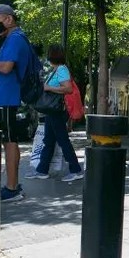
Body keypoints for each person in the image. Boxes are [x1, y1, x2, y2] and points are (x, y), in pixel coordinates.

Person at [0, 4, 30, 203]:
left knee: (10, 142)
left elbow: (6, 67)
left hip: (7, 99)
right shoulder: (11, 38)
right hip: (3, 98)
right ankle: (11, 185)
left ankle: (12, 188)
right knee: (7, 141)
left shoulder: (15, 39)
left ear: (9, 19)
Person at [26, 44, 84, 182]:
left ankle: (75, 170)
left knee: (63, 141)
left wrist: (49, 87)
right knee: (49, 140)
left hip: (57, 111)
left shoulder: (62, 69)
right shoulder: (57, 69)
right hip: (53, 112)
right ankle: (42, 170)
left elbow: (68, 89)